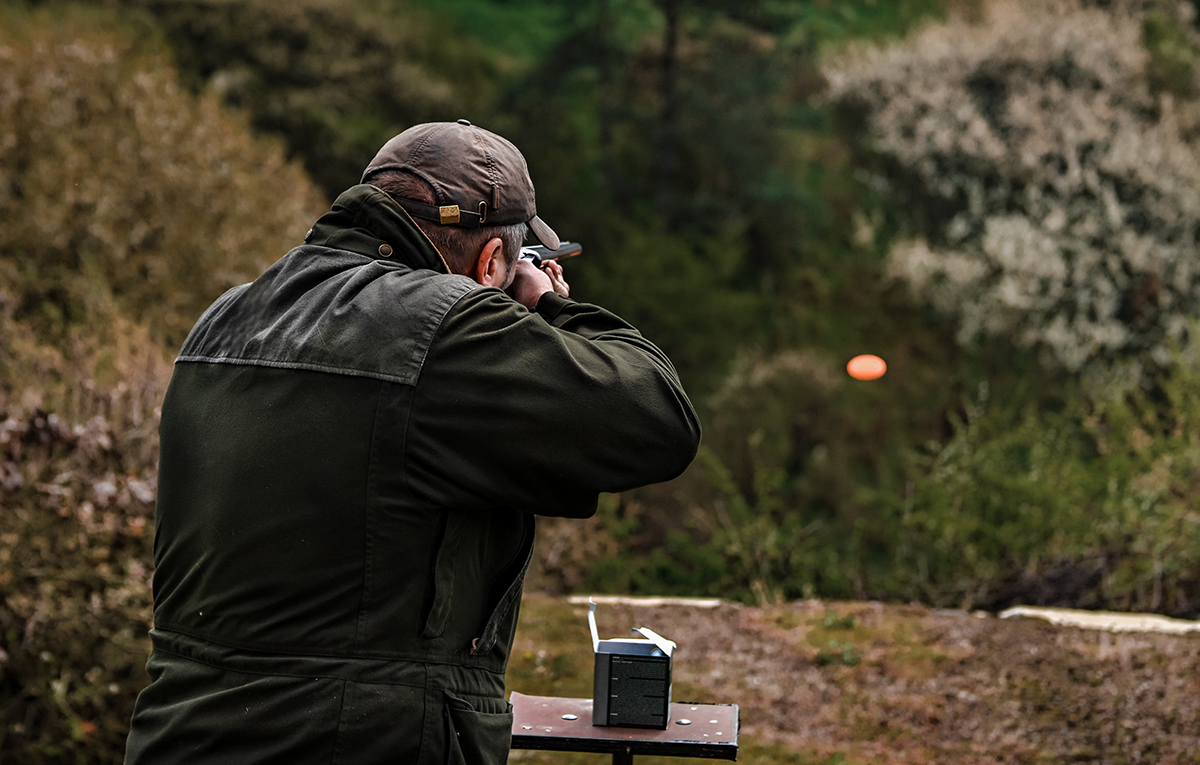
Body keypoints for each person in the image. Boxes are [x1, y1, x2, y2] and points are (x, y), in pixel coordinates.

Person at [124, 120, 701, 764]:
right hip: (355, 742)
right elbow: (657, 418)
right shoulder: (443, 331)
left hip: (179, 738)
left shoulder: (225, 318)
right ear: (490, 263)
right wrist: (550, 310)